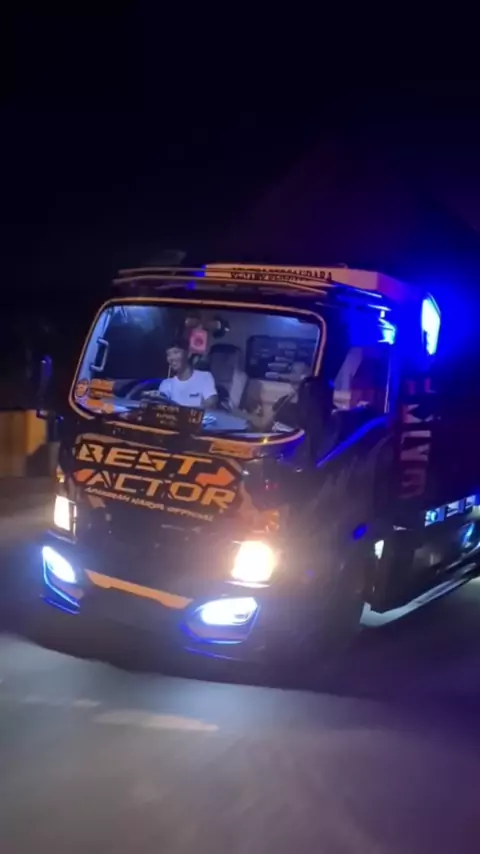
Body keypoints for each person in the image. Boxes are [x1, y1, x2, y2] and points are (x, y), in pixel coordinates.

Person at [158, 338, 217, 409]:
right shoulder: (166, 384)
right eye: (168, 354)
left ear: (188, 354)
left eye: (176, 352)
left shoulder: (204, 377)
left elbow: (211, 403)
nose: (171, 358)